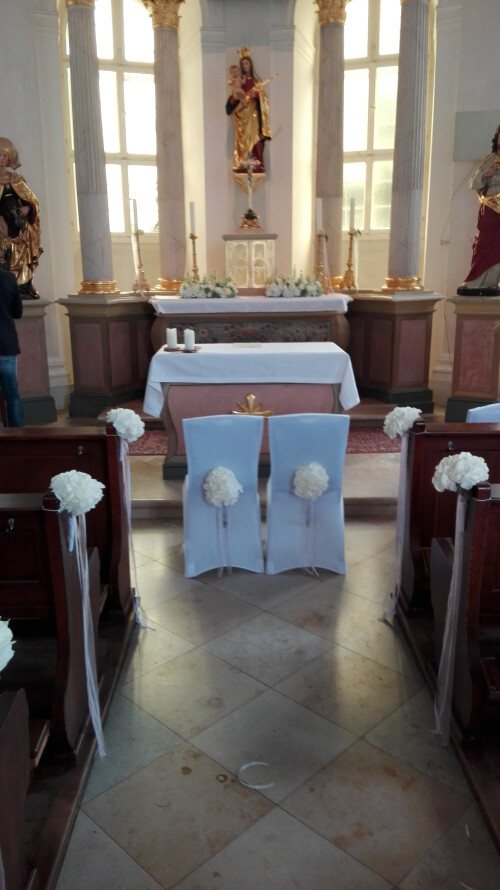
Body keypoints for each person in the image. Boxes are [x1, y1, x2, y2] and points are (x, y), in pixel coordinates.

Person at [0, 137, 42, 299]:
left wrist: (27, 207)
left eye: (4, 156)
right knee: (5, 253)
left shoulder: (16, 180)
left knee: (24, 247)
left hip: (18, 225)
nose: (1, 159)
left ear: (9, 159)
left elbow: (32, 200)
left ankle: (23, 286)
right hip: (2, 225)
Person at [460, 125, 500, 292]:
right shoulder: (490, 159)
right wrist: (486, 174)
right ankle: (475, 281)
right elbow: (473, 183)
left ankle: (493, 282)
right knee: (484, 242)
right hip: (490, 206)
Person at [225, 50, 271, 173]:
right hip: (241, 114)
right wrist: (237, 97)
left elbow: (264, 98)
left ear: (250, 64)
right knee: (242, 139)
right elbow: (233, 99)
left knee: (255, 136)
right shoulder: (240, 80)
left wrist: (257, 95)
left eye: (247, 63)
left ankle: (257, 162)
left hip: (253, 113)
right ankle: (242, 161)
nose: (245, 66)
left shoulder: (256, 81)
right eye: (243, 64)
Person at [0, 267, 24, 426]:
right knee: (12, 396)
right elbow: (17, 312)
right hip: (5, 343)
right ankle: (17, 435)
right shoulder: (8, 278)